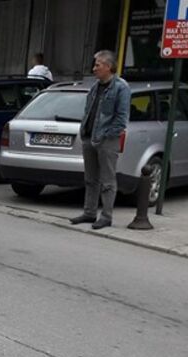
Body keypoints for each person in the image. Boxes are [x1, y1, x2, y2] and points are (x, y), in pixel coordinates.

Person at [70, 50, 130, 230]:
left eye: (98, 65)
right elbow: (89, 111)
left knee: (107, 180)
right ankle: (89, 212)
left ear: (109, 67)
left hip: (107, 140)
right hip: (89, 137)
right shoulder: (96, 86)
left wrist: (106, 134)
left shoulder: (121, 87)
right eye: (95, 65)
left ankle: (106, 216)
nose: (94, 68)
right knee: (90, 178)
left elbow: (121, 118)